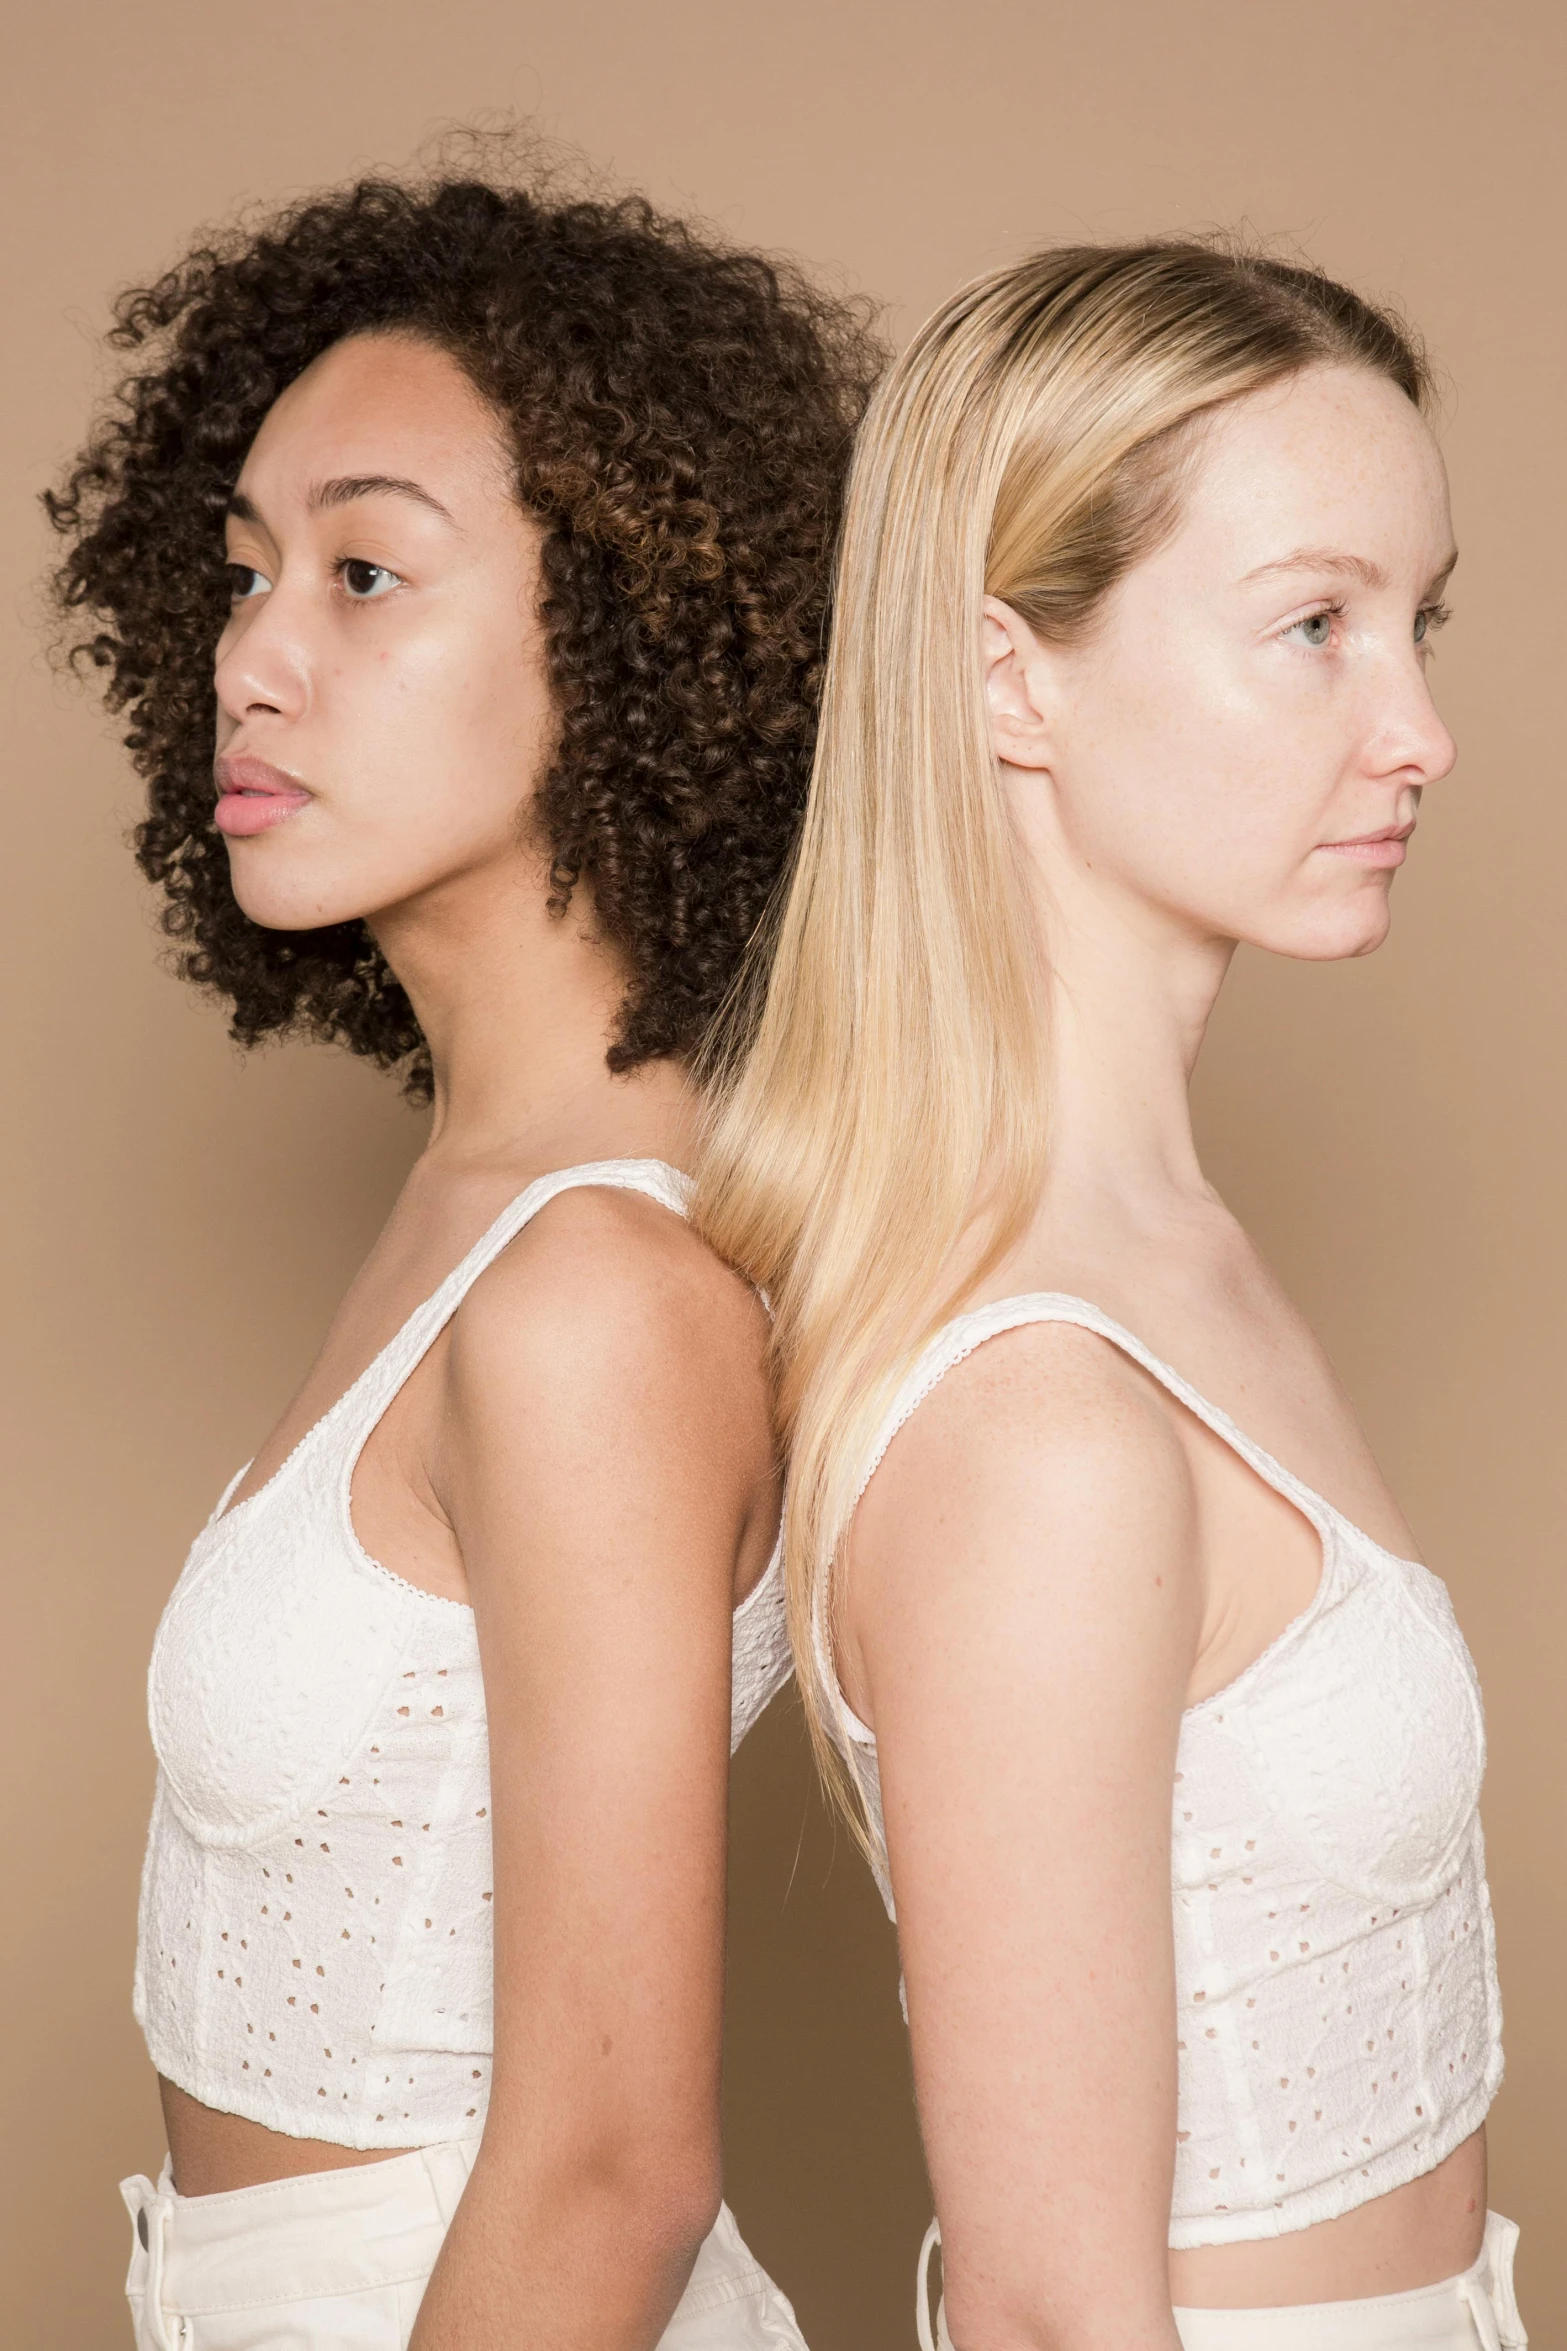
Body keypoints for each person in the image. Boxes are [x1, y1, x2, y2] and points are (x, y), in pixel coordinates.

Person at [48, 151, 879, 2351]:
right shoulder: (483, 1198)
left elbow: (614, 2170)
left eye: (365, 575)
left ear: (624, 640)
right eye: (238, 575)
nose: (254, 657)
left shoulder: (597, 1284)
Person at [696, 242, 1524, 2350]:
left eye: (1417, 625)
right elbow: (1059, 2308)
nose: (1419, 729)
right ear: (1008, 679)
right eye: (1314, 627)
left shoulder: (1178, 1257)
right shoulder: (1042, 1416)